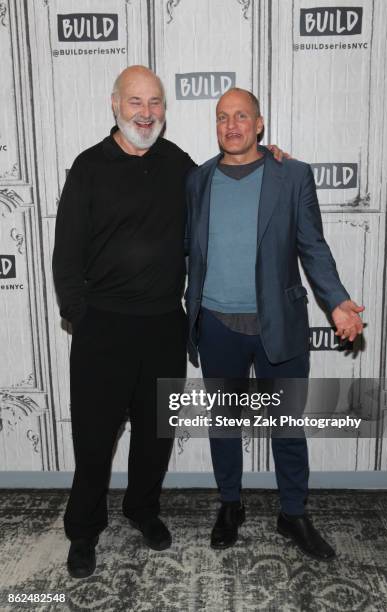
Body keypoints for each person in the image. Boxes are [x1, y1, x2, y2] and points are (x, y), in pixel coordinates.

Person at [53, 66, 285, 579]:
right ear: (115, 104)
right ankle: (83, 531)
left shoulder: (181, 165)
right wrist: (80, 317)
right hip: (103, 330)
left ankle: (142, 510)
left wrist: (273, 157)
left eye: (155, 102)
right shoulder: (88, 167)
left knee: (155, 437)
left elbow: (233, 173)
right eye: (136, 101)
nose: (146, 112)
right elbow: (65, 255)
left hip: (163, 326)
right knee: (94, 440)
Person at [185, 87, 364, 560]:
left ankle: (293, 514)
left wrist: (338, 301)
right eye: (223, 117)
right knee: (224, 424)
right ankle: (230, 505)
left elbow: (313, 246)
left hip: (277, 326)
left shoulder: (293, 175)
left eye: (241, 116)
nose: (232, 125)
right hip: (217, 323)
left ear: (260, 124)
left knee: (286, 425)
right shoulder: (198, 180)